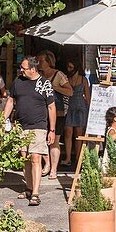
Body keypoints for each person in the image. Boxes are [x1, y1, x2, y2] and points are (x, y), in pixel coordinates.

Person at [2, 56, 56, 207]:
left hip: (38, 125)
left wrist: (52, 130)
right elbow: (11, 101)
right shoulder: (18, 81)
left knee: (36, 157)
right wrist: (2, 120)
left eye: (23, 68)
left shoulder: (45, 84)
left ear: (33, 69)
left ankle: (36, 193)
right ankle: (29, 187)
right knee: (25, 158)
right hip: (21, 125)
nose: (21, 70)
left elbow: (51, 107)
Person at [37, 51, 73, 179]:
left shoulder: (59, 75)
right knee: (41, 139)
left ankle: (53, 169)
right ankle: (47, 164)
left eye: (41, 61)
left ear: (49, 62)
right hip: (41, 111)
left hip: (58, 112)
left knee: (55, 140)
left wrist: (54, 87)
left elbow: (70, 92)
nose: (39, 63)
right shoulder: (38, 75)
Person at [62, 59, 91, 168]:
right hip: (69, 107)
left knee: (78, 134)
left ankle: (78, 158)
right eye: (68, 67)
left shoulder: (83, 80)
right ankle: (68, 158)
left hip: (80, 108)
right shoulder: (67, 79)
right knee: (68, 132)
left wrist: (89, 110)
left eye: (70, 67)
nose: (69, 69)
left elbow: (87, 96)